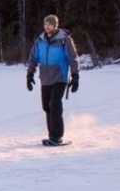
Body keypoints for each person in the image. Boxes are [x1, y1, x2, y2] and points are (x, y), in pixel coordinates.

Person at [26, 14, 80, 146]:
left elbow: (73, 58)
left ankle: (57, 137)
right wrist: (30, 74)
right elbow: (33, 58)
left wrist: (75, 76)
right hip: (45, 78)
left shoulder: (64, 40)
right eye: (45, 24)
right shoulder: (40, 40)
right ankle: (52, 135)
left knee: (54, 104)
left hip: (59, 77)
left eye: (49, 24)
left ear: (55, 25)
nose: (47, 27)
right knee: (46, 106)